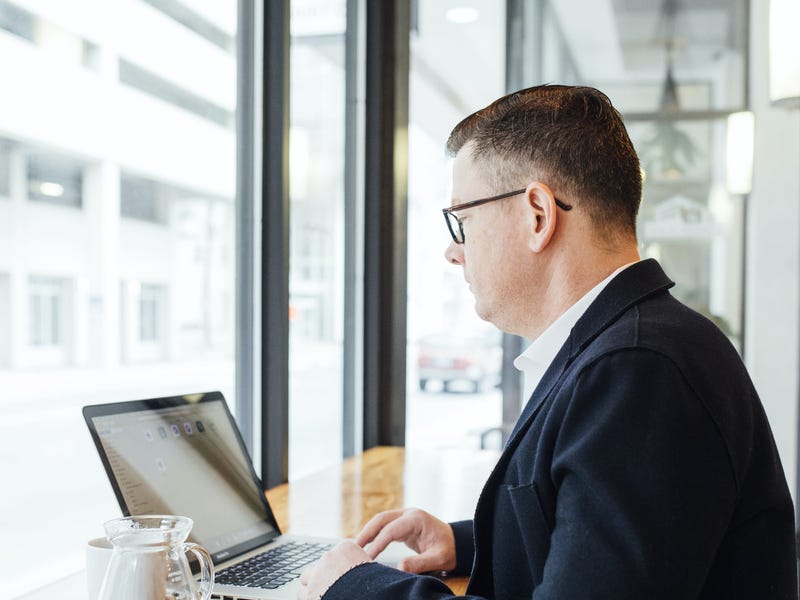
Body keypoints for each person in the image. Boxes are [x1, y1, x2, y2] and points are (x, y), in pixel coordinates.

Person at [298, 84, 797, 599]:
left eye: (462, 221)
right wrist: (465, 543)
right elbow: (597, 535)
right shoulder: (633, 344)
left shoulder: (638, 369)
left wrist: (357, 588)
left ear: (537, 214)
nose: (453, 251)